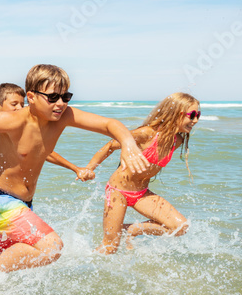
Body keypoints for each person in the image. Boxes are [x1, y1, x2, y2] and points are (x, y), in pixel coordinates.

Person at [0, 64, 149, 273]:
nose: (61, 103)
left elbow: (109, 124)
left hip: (22, 203)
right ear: (32, 96)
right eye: (53, 97)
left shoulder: (63, 117)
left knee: (9, 257)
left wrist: (128, 143)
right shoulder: (15, 120)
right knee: (52, 247)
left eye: (66, 97)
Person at [0, 82, 95, 258]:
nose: (19, 108)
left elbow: (45, 153)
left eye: (22, 104)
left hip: (12, 200)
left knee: (4, 248)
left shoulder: (20, 130)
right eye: (14, 104)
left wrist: (74, 168)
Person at [85, 92, 200, 253]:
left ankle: (133, 229)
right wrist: (90, 168)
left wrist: (138, 228)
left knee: (180, 227)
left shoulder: (177, 140)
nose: (195, 120)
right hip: (118, 192)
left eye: (198, 115)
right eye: (192, 115)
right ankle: (85, 268)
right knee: (110, 246)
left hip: (141, 194)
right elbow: (112, 144)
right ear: (176, 114)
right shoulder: (147, 133)